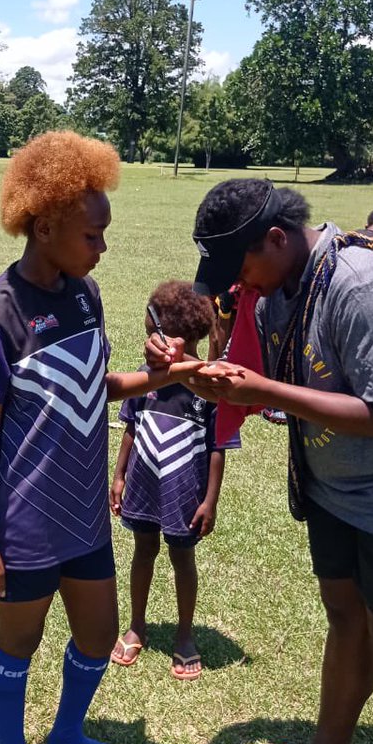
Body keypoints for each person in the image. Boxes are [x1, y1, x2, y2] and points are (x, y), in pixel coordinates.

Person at [150, 178, 373, 744]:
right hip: (333, 488)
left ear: (275, 238)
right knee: (345, 621)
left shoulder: (363, 286)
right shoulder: (279, 287)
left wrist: (265, 390)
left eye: (241, 265)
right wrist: (195, 374)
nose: (237, 284)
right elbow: (267, 382)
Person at [0, 131, 199, 744]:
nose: (102, 247)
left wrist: (168, 375)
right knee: (18, 642)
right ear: (44, 227)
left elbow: (93, 387)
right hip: (26, 520)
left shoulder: (85, 296)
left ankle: (67, 733)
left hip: (86, 514)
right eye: (92, 235)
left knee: (97, 635)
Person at [110, 282, 237, 679]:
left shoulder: (209, 384)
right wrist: (119, 475)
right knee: (143, 549)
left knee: (183, 558)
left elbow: (218, 447)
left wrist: (210, 500)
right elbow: (130, 426)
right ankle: (137, 625)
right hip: (144, 481)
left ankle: (184, 635)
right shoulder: (146, 377)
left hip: (185, 489)